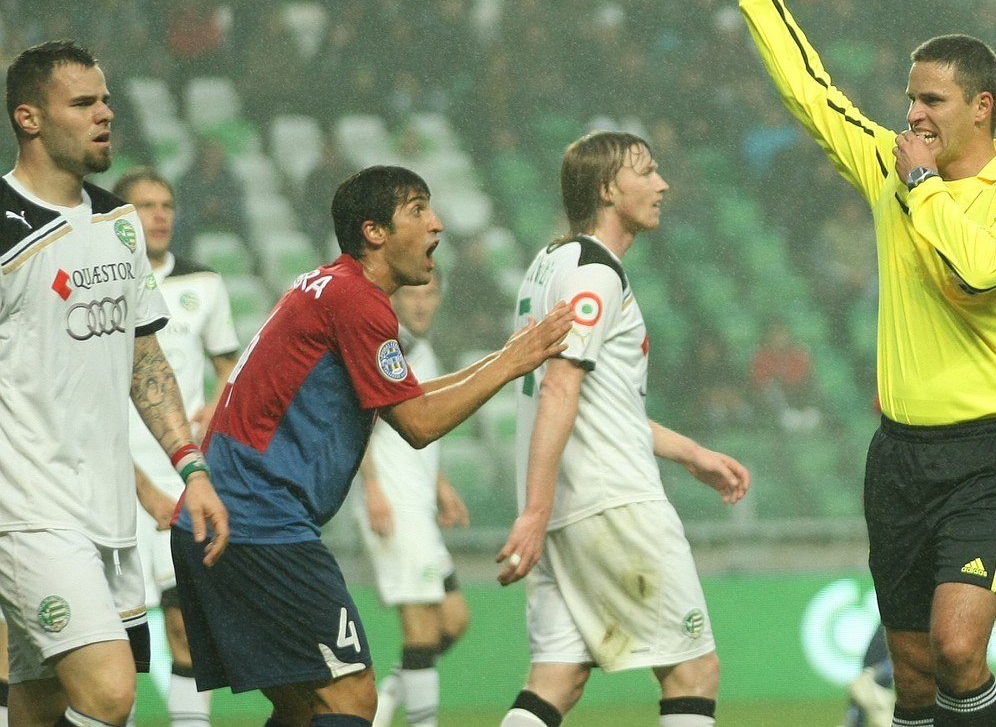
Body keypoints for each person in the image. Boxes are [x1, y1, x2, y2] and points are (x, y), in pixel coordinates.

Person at [724, 0, 996, 727]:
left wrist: (920, 187)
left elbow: (976, 268)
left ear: (981, 107)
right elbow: (810, 92)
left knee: (958, 649)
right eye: (910, 99)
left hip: (991, 456)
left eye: (932, 101)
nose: (912, 115)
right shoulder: (889, 163)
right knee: (910, 676)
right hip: (901, 456)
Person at [171, 165, 573, 726]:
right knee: (352, 698)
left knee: (303, 707)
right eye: (418, 210)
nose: (437, 224)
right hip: (262, 522)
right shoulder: (358, 300)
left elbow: (406, 396)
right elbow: (418, 424)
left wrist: (505, 356)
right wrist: (511, 364)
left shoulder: (328, 287)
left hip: (225, 518)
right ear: (374, 232)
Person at [1, 39, 230, 727]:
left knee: (44, 703)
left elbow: (146, 361)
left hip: (110, 516)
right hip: (29, 511)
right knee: (108, 695)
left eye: (105, 100)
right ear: (29, 118)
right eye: (83, 103)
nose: (105, 114)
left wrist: (191, 468)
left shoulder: (118, 224)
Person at [497, 131, 751, 727]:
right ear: (608, 189)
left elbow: (598, 402)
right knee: (693, 673)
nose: (662, 184)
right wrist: (534, 510)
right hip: (612, 502)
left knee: (556, 680)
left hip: (566, 509)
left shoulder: (549, 264)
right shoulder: (597, 275)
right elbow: (560, 387)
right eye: (647, 172)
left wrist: (689, 452)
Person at [113, 166, 243, 727]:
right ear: (121, 218)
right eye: (146, 206)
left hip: (180, 477)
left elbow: (229, 367)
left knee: (185, 623)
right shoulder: (100, 286)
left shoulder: (205, 284)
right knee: (114, 638)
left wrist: (216, 405)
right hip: (114, 477)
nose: (161, 215)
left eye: (166, 205)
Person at [356, 271, 472, 727]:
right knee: (421, 627)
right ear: (395, 297)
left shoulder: (420, 349)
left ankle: (387, 698)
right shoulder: (391, 348)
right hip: (395, 502)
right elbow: (361, 421)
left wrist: (440, 485)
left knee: (454, 619)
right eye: (413, 294)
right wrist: (372, 489)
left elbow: (413, 427)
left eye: (431, 294)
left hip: (418, 501)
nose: (423, 303)